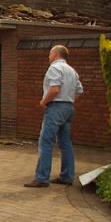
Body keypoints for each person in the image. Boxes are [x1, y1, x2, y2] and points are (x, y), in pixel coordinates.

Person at [24, 45, 83, 187]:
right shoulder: (72, 71)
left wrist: (44, 101)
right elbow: (79, 90)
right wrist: (68, 99)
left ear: (55, 54)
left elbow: (54, 89)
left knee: (46, 142)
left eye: (49, 54)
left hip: (55, 107)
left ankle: (42, 178)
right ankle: (67, 177)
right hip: (68, 107)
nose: (48, 57)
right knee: (65, 143)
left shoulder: (55, 68)